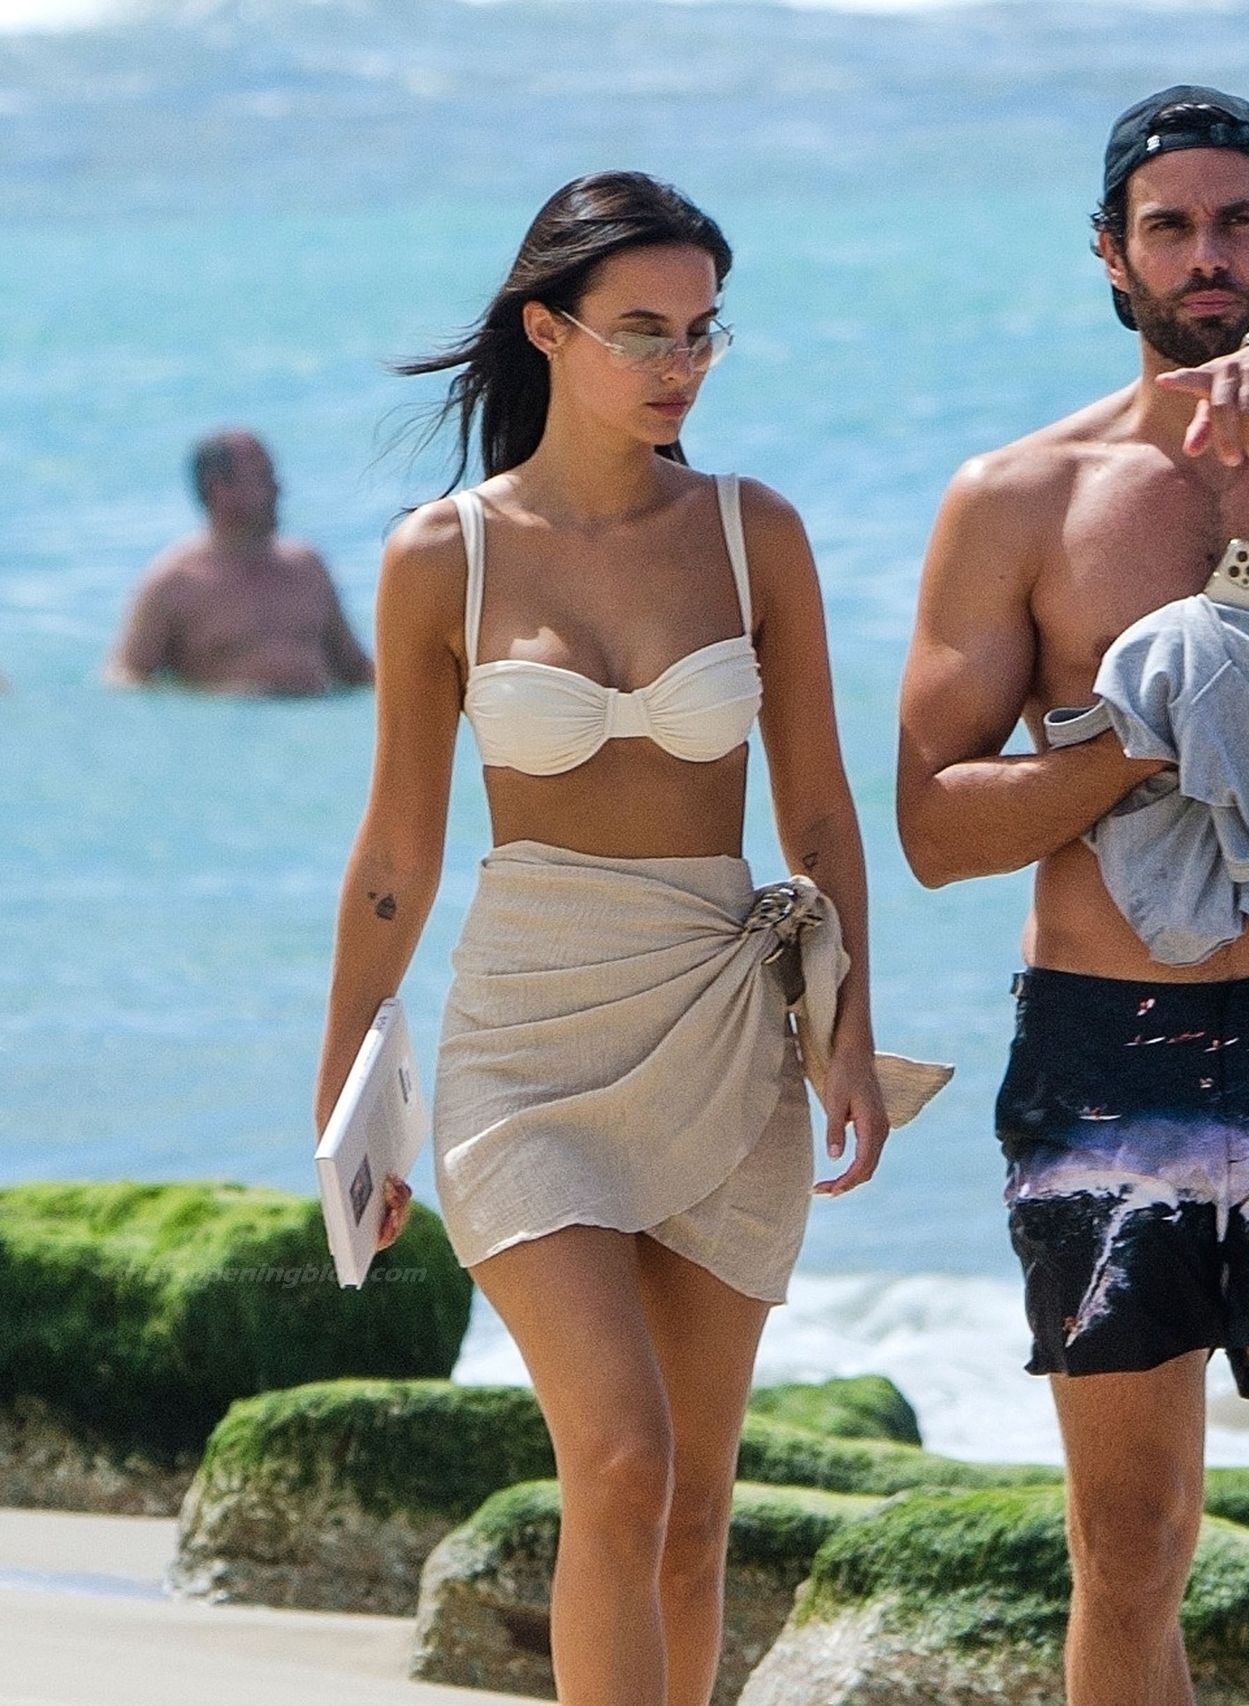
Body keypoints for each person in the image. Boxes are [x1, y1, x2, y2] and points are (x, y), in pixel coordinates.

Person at [896, 86, 1249, 1706]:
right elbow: (934, 825)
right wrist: (1135, 739)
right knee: (1131, 1540)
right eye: (1171, 226)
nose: (1207, 254)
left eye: (1239, 222)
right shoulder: (1021, 496)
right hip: (1100, 1058)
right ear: (1111, 253)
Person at [313, 170, 891, 1706]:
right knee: (622, 1457)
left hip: (723, 1016)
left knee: (692, 1510)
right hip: (530, 1041)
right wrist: (346, 1093)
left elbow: (819, 813)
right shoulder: (443, 554)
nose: (680, 363)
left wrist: (850, 1029)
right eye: (644, 330)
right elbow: (396, 853)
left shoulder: (754, 533)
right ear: (548, 330)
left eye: (702, 332)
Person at [104, 429, 374, 695]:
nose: (278, 489)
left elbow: (356, 669)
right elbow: (126, 677)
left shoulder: (307, 567)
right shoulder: (175, 583)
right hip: (231, 720)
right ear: (219, 489)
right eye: (263, 477)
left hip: (312, 716)